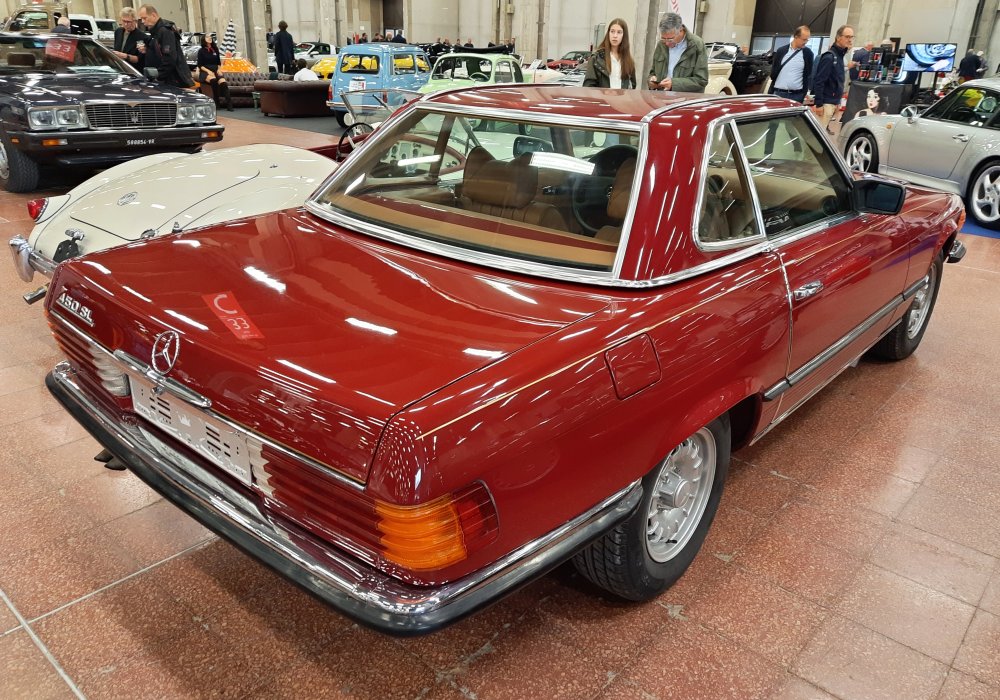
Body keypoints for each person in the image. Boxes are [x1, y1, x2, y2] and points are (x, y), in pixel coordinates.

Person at [647, 12, 708, 93]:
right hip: (661, 97)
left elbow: (701, 80)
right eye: (663, 38)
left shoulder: (697, 45)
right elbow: (653, 72)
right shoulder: (661, 45)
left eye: (670, 39)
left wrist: (674, 84)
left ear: (680, 30)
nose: (666, 43)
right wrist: (652, 80)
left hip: (686, 99)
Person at [138, 5, 194, 88]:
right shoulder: (156, 31)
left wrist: (158, 75)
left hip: (171, 79)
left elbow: (170, 58)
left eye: (144, 18)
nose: (142, 21)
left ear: (153, 15)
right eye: (141, 19)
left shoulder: (165, 31)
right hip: (163, 78)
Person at [812, 25, 854, 133]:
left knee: (821, 134)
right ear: (838, 37)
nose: (850, 40)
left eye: (851, 37)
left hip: (832, 102)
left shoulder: (839, 56)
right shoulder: (830, 57)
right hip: (826, 103)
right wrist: (819, 104)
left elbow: (837, 80)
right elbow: (819, 81)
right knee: (818, 135)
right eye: (847, 37)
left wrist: (837, 101)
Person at [583, 18, 636, 89]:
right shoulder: (596, 58)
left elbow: (632, 85)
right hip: (602, 96)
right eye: (612, 31)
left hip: (622, 96)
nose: (615, 35)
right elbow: (588, 86)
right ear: (608, 33)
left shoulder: (628, 61)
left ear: (624, 35)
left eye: (619, 32)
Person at [769, 25, 813, 103]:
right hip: (779, 94)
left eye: (807, 40)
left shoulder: (808, 53)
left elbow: (808, 73)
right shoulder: (781, 51)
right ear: (796, 37)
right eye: (804, 39)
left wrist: (804, 93)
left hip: (797, 95)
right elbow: (774, 71)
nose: (806, 42)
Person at [197, 33, 232, 110]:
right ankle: (217, 103)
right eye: (207, 37)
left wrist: (219, 69)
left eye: (210, 37)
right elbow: (200, 65)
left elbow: (218, 63)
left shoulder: (215, 49)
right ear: (203, 39)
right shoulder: (201, 51)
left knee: (223, 83)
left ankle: (229, 105)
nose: (210, 38)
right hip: (205, 71)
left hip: (216, 70)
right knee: (213, 80)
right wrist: (208, 71)